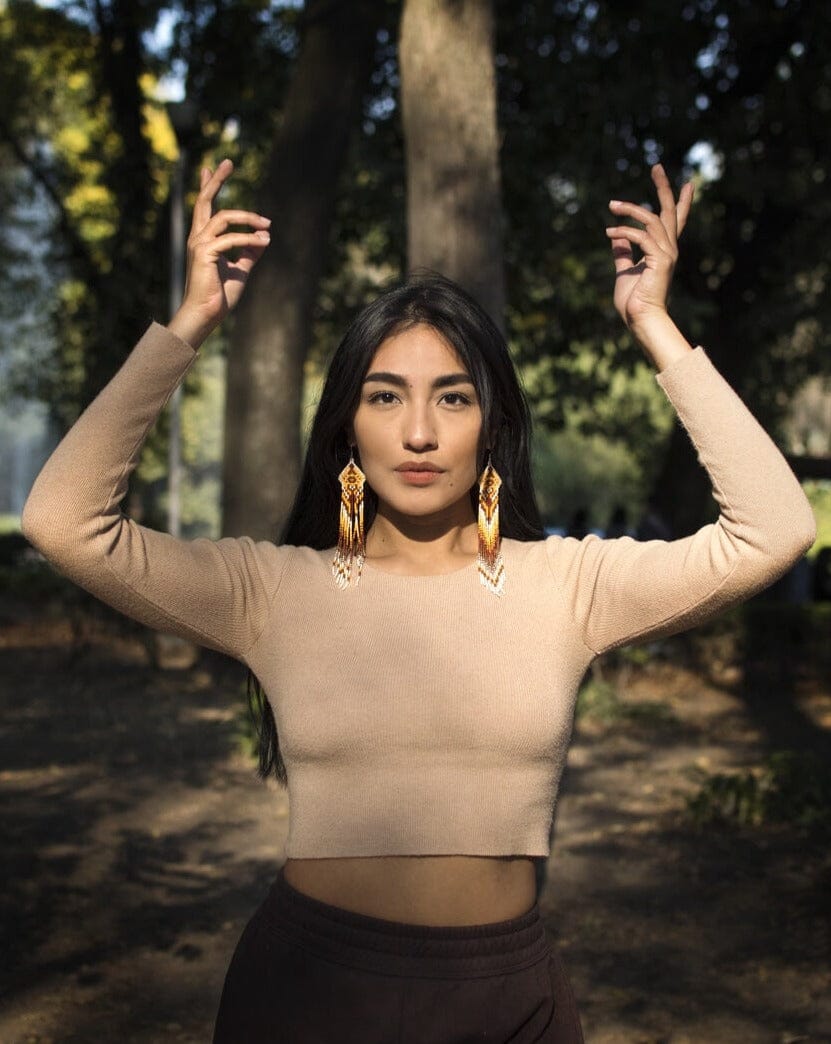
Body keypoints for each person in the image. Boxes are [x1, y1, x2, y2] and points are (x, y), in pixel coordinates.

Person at [22, 160, 815, 1043]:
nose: (419, 433)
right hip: (307, 993)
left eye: (453, 397)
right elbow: (65, 523)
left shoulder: (568, 585)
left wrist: (654, 324)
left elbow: (773, 530)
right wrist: (190, 323)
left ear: (492, 426)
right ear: (348, 426)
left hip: (505, 996)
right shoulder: (273, 591)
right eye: (384, 396)